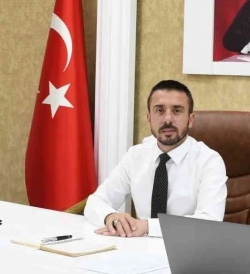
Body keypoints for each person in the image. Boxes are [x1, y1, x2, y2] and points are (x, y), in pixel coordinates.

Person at [84, 80, 227, 237]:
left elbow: (209, 223)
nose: (167, 119)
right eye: (159, 110)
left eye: (177, 110)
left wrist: (147, 227)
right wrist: (110, 216)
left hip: (189, 248)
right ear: (149, 118)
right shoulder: (136, 156)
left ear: (191, 119)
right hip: (140, 247)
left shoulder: (209, 161)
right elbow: (95, 202)